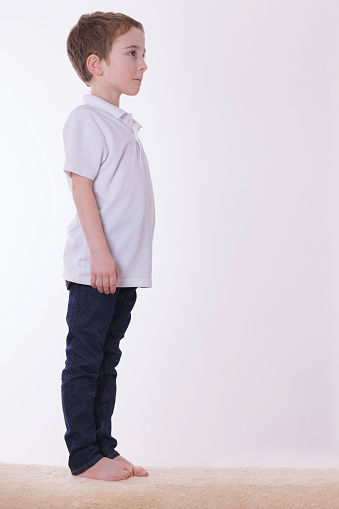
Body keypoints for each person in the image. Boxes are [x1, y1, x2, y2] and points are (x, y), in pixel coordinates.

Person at [60, 11, 155, 481]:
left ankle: (103, 448)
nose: (142, 64)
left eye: (143, 54)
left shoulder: (121, 123)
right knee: (85, 360)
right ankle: (84, 457)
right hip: (96, 270)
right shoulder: (87, 119)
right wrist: (100, 254)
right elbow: (82, 188)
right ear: (97, 63)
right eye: (132, 54)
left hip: (122, 272)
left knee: (106, 361)